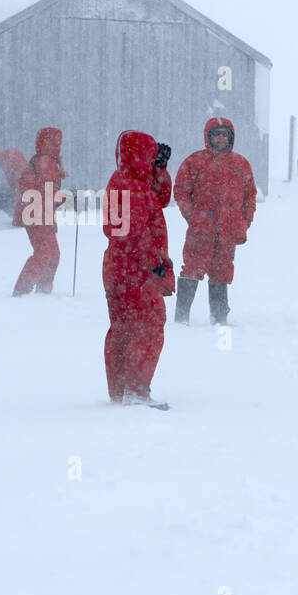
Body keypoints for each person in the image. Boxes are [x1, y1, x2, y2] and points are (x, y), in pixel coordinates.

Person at [103, 130, 174, 409]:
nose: (152, 158)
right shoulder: (132, 187)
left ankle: (121, 390)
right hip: (136, 269)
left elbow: (160, 200)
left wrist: (160, 170)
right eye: (150, 155)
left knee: (122, 328)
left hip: (117, 266)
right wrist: (154, 262)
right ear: (139, 155)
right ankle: (137, 390)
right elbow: (134, 232)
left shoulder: (125, 181)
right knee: (148, 326)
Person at [172, 117, 257, 325]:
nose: (220, 138)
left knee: (222, 271)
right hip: (201, 229)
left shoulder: (241, 164)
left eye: (224, 134)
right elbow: (181, 190)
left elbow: (250, 196)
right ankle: (181, 318)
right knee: (192, 267)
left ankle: (219, 318)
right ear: (209, 136)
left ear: (231, 137)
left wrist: (244, 221)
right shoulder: (195, 161)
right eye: (216, 134)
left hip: (228, 230)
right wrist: (192, 216)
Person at [13, 127, 68, 295]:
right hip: (38, 214)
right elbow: (47, 193)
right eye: (58, 142)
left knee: (52, 255)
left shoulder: (46, 161)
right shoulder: (46, 163)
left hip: (39, 214)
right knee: (45, 254)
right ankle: (23, 291)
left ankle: (42, 291)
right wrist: (64, 198)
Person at [0, 147, 29, 226]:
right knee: (24, 199)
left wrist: (12, 185)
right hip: (27, 176)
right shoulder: (10, 153)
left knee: (20, 200)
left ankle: (21, 221)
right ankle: (25, 219)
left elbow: (9, 173)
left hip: (20, 179)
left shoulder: (3, 158)